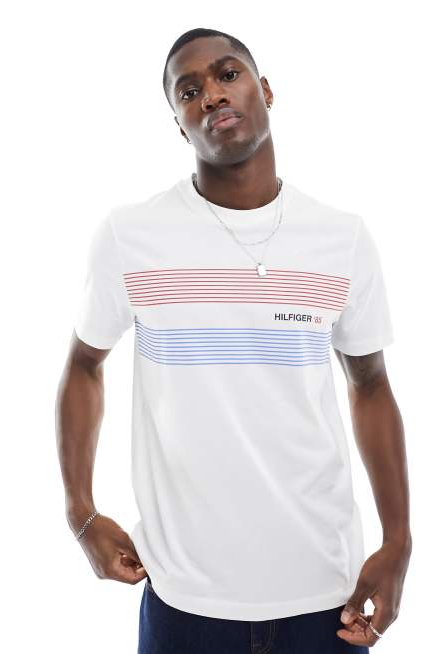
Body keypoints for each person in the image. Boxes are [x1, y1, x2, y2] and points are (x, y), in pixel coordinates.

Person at [55, 27, 412, 653]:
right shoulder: (132, 236)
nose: (212, 96)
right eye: (188, 91)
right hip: (184, 601)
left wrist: (399, 539)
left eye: (227, 75)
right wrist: (80, 512)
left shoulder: (341, 238)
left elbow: (372, 384)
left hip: (326, 597)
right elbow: (84, 364)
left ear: (265, 90)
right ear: (179, 124)